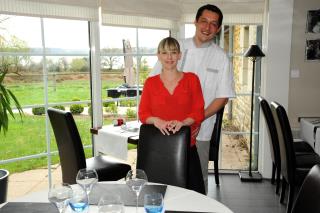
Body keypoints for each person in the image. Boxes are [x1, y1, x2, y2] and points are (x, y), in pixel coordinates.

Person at [150, 4, 235, 194]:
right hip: (166, 129)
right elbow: (153, 83)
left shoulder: (221, 58)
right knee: (164, 178)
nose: (207, 27)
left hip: (201, 131)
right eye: (204, 21)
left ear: (219, 29)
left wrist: (195, 121)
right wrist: (157, 120)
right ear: (195, 22)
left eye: (214, 24)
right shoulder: (176, 48)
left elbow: (222, 97)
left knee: (197, 179)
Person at [139, 37, 206, 194]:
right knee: (157, 196)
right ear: (158, 55)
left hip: (186, 148)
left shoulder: (192, 79)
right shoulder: (150, 82)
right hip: (156, 150)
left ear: (180, 55)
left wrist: (183, 123)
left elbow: (198, 111)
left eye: (173, 52)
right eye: (165, 53)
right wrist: (156, 120)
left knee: (193, 197)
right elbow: (143, 114)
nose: (169, 57)